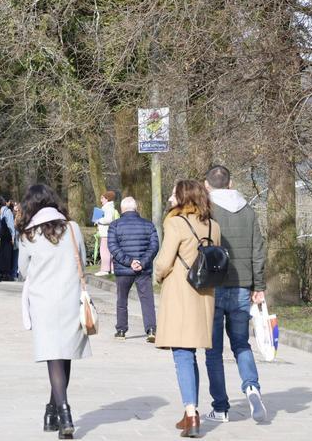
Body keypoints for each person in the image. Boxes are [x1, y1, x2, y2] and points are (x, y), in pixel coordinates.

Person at [17, 184, 91, 439]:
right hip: (70, 298)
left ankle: (64, 412)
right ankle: (52, 411)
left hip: (43, 301)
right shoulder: (73, 228)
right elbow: (81, 258)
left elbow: (23, 271)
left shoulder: (28, 234)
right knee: (64, 354)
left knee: (53, 355)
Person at [154, 180, 221, 438]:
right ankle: (189, 411)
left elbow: (163, 261)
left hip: (181, 295)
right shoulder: (213, 225)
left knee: (182, 353)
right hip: (204, 294)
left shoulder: (175, 223)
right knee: (190, 352)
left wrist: (159, 276)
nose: (170, 197)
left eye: (174, 193)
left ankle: (192, 413)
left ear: (183, 197)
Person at [204, 165, 268, 423]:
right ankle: (251, 386)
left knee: (213, 350)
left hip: (215, 286)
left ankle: (220, 408)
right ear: (230, 184)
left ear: (207, 185)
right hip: (243, 285)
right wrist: (259, 286)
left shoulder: (207, 211)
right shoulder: (248, 210)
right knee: (241, 343)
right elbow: (258, 250)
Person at [107, 196, 159, 342]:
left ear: (122, 209)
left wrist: (129, 262)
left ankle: (121, 330)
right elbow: (154, 246)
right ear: (136, 208)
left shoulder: (115, 225)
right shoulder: (149, 225)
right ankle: (151, 330)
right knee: (147, 300)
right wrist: (142, 262)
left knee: (122, 300)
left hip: (123, 269)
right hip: (143, 269)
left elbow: (113, 247)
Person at [94, 191, 118, 276]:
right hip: (108, 233)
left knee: (104, 252)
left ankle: (104, 269)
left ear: (107, 199)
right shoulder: (109, 207)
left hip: (105, 233)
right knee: (110, 251)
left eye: (102, 198)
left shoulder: (107, 208)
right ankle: (112, 269)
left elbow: (108, 219)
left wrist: (98, 220)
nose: (101, 200)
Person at [0, 196, 16, 281]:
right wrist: (13, 237)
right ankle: (7, 274)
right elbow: (11, 226)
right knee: (8, 255)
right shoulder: (8, 211)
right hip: (7, 236)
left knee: (0, 255)